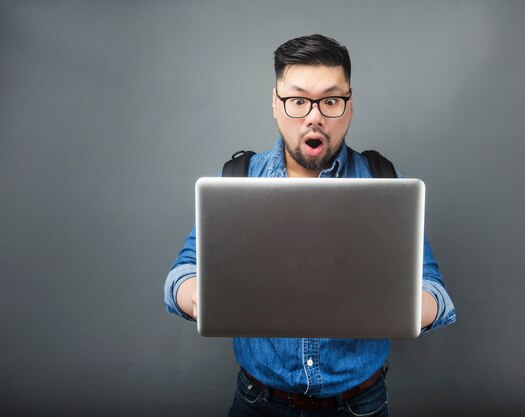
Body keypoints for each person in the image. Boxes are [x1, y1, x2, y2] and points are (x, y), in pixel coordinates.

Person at [164, 34, 456, 417]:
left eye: (331, 101)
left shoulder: (384, 181)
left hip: (360, 405)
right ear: (275, 103)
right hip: (258, 403)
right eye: (298, 100)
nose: (314, 116)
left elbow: (433, 288)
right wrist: (198, 295)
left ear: (349, 106)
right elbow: (182, 274)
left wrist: (408, 308)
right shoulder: (239, 180)